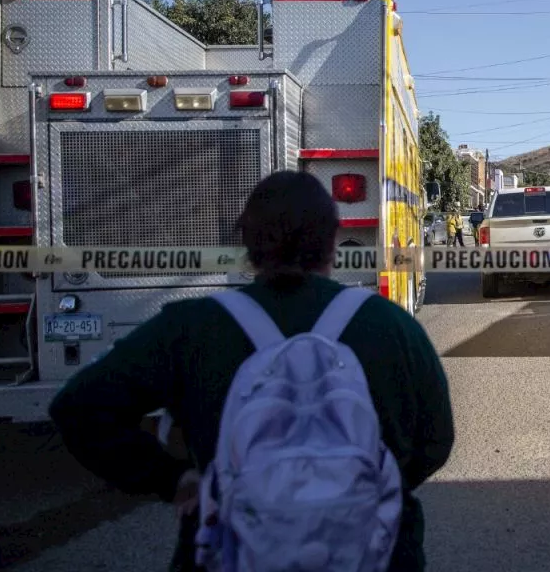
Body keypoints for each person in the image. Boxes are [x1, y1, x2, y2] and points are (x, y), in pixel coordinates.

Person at [48, 171, 455, 571]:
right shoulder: (392, 326)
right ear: (333, 240)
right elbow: (435, 442)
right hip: (379, 555)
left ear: (246, 242)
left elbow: (79, 407)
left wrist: (172, 479)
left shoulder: (190, 327)